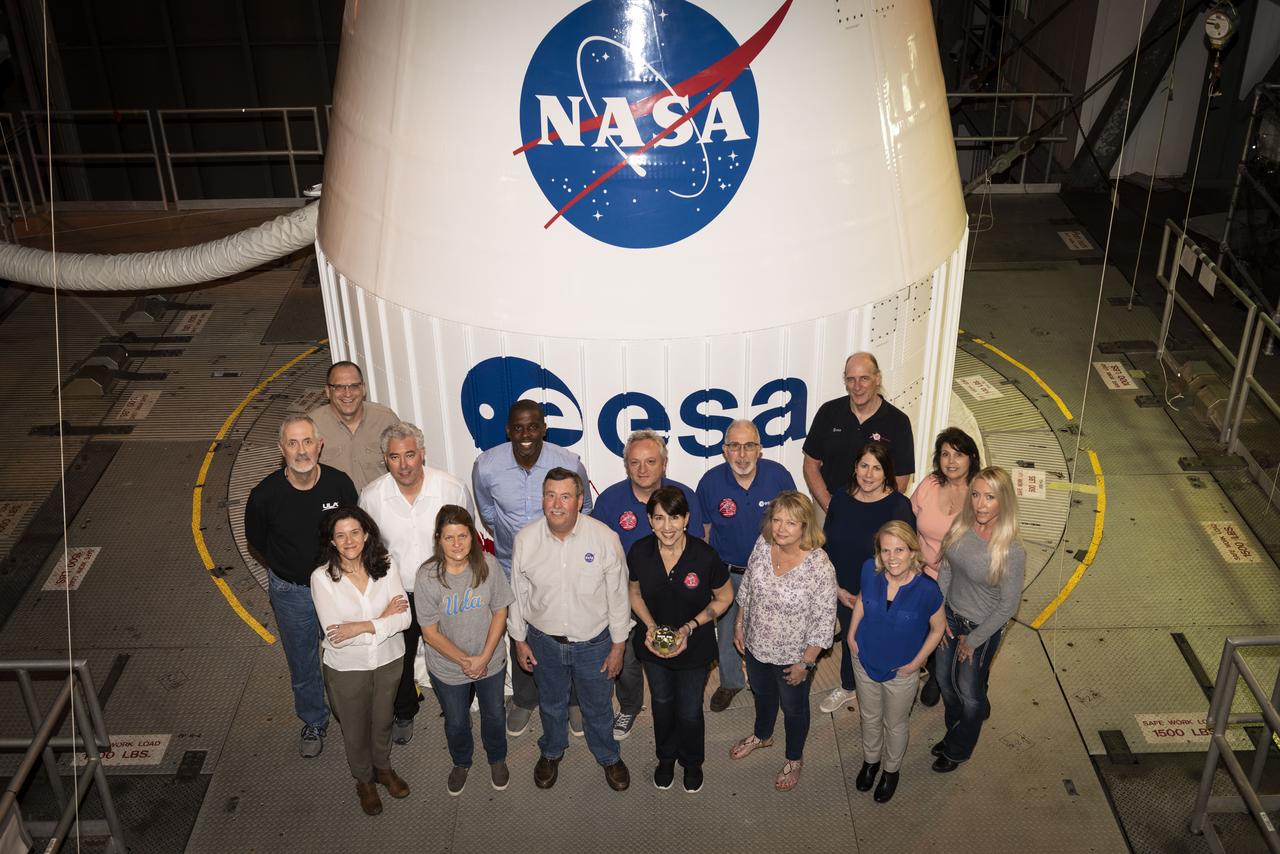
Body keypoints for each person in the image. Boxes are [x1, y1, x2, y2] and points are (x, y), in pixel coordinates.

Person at [471, 400, 592, 737]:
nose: (526, 434)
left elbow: (585, 509)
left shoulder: (568, 463)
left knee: (566, 627)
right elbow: (488, 514)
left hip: (561, 562)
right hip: (512, 563)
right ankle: (525, 699)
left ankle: (573, 700)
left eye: (533, 426)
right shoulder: (486, 466)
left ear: (544, 428)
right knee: (519, 628)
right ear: (508, 429)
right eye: (519, 427)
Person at [507, 467, 631, 791]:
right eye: (550, 495)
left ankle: (608, 755)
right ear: (542, 499)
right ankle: (551, 751)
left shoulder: (605, 539)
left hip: (595, 644)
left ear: (579, 500)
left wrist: (618, 647)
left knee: (599, 706)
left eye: (565, 496)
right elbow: (517, 595)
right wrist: (519, 640)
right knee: (551, 703)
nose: (557, 504)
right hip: (543, 641)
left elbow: (619, 597)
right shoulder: (525, 540)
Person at [245, 414, 358, 758]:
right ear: (282, 450)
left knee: (346, 652)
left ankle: (353, 715)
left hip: (338, 585)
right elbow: (257, 540)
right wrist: (290, 569)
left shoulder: (339, 485)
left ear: (319, 445)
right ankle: (313, 719)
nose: (301, 450)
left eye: (307, 441)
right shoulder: (265, 495)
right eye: (292, 443)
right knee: (303, 660)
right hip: (291, 592)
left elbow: (354, 531)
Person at [359, 422, 475, 745]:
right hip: (400, 593)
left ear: (422, 454)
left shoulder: (451, 488)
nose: (404, 464)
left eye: (410, 455)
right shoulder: (371, 497)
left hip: (445, 590)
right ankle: (405, 710)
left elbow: (467, 536)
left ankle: (459, 709)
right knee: (402, 658)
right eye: (395, 457)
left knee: (455, 652)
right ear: (385, 459)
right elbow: (368, 549)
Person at [591, 429, 703, 741]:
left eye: (651, 461)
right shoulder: (610, 500)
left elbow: (700, 544)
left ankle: (681, 703)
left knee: (675, 647)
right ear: (625, 465)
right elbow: (598, 551)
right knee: (626, 657)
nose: (643, 469)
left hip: (674, 594)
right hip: (624, 595)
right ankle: (629, 705)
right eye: (635, 462)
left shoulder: (684, 495)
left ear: (664, 464)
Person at [627, 487, 733, 793]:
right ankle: (666, 757)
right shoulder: (639, 551)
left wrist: (689, 627)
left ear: (686, 518)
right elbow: (633, 591)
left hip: (694, 644)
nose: (667, 526)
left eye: (674, 517)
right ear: (649, 520)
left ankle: (692, 761)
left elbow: (725, 597)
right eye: (659, 518)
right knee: (661, 703)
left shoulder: (704, 555)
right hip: (652, 645)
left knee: (689, 709)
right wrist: (648, 626)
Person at [730, 491, 837, 791]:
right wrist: (740, 623)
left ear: (805, 526)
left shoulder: (819, 566)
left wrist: (807, 662)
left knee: (794, 708)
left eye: (790, 522)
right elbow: (748, 585)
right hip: (756, 645)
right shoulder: (763, 545)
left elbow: (824, 620)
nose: (780, 528)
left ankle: (794, 758)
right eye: (776, 520)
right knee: (762, 695)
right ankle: (762, 736)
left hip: (794, 656)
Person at [310, 507, 412, 815]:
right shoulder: (322, 579)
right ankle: (364, 781)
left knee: (382, 721)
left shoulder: (387, 565)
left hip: (388, 661)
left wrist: (360, 625)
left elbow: (405, 619)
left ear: (366, 535)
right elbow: (336, 635)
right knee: (354, 730)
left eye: (354, 532)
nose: (349, 540)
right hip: (346, 668)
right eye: (340, 535)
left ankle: (383, 768)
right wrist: (382, 620)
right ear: (332, 542)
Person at [696, 419, 795, 713]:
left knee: (771, 631)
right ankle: (731, 681)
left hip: (773, 573)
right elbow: (703, 531)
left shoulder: (779, 477)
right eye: (735, 446)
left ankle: (768, 682)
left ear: (759, 450)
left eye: (749, 446)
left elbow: (797, 523)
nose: (742, 454)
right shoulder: (710, 483)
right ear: (725, 450)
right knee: (726, 633)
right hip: (728, 573)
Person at [931, 466, 1024, 772]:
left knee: (969, 694)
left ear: (1004, 502)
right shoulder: (962, 525)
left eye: (990, 497)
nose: (981, 504)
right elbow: (946, 568)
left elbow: (1009, 604)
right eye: (976, 495)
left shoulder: (1011, 549)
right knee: (945, 682)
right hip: (950, 616)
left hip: (980, 628)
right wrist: (941, 613)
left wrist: (973, 640)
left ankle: (958, 749)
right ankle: (954, 730)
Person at [416, 505, 513, 796]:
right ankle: (461, 761)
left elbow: (500, 612)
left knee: (494, 715)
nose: (457, 544)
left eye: (463, 535)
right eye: (449, 537)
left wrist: (483, 657)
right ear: (438, 539)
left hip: (490, 661)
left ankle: (497, 758)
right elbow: (430, 633)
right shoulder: (427, 577)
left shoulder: (488, 565)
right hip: (448, 667)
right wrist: (465, 661)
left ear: (472, 536)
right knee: (456, 721)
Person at [848, 521, 944, 803]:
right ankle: (870, 762)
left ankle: (891, 771)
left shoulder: (927, 589)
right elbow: (863, 599)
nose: (892, 558)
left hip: (901, 671)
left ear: (913, 551)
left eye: (899, 550)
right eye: (886, 550)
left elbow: (937, 628)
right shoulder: (870, 570)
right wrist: (852, 635)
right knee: (869, 716)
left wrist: (917, 662)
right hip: (864, 659)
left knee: (896, 723)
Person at [819, 442, 915, 714]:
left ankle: (884, 693)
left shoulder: (898, 506)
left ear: (887, 473)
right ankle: (848, 686)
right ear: (855, 468)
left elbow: (905, 556)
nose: (869, 474)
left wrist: (870, 594)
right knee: (852, 642)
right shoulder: (840, 498)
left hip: (880, 592)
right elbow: (826, 545)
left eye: (877, 468)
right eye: (864, 466)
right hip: (842, 589)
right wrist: (835, 587)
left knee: (877, 642)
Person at [911, 427, 981, 707]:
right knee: (930, 632)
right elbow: (911, 521)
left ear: (972, 457)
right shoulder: (929, 485)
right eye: (945, 454)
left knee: (963, 639)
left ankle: (976, 686)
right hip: (926, 574)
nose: (951, 461)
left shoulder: (980, 492)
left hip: (964, 582)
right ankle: (936, 677)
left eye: (959, 454)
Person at [802, 352, 915, 512]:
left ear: (877, 378)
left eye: (864, 378)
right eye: (851, 379)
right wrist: (831, 506)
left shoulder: (898, 422)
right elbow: (810, 464)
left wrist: (876, 510)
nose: (857, 386)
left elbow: (901, 479)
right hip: (828, 506)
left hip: (876, 512)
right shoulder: (829, 412)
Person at [310, 361, 401, 492]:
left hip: (380, 505)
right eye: (339, 387)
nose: (348, 393)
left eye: (354, 386)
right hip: (337, 510)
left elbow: (406, 465)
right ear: (328, 391)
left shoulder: (386, 419)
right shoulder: (312, 425)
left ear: (363, 389)